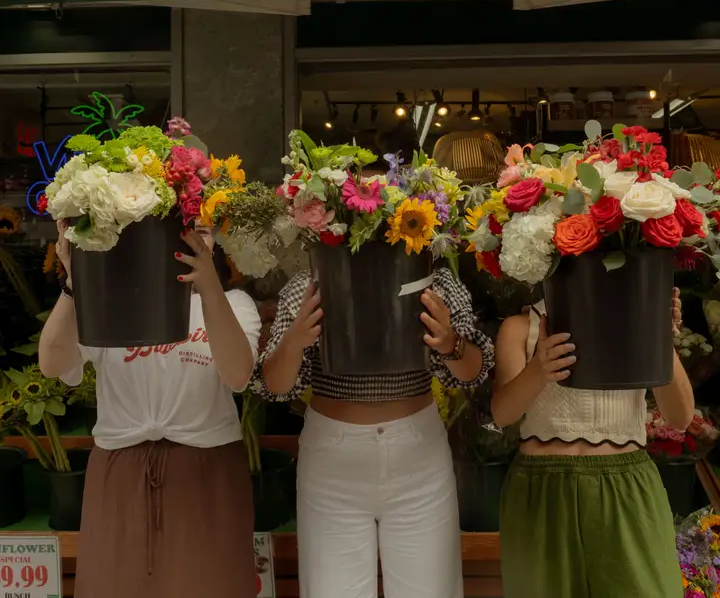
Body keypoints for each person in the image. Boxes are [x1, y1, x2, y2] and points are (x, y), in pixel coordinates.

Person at [250, 136, 495, 598]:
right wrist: (295, 342)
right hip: (332, 460)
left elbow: (476, 370)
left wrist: (450, 343)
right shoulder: (310, 285)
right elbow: (276, 387)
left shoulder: (432, 280)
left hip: (417, 454)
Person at [38, 221, 262, 598]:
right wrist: (76, 281)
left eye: (200, 230)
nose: (189, 240)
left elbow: (238, 375)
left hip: (207, 470)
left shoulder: (235, 304)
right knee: (114, 584)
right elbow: (53, 363)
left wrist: (208, 287)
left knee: (214, 584)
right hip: (120, 468)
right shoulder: (110, 302)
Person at [493, 292, 693, 598]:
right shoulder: (521, 327)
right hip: (541, 490)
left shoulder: (638, 321)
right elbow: (503, 414)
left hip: (627, 488)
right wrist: (537, 371)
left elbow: (680, 417)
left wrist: (658, 335)